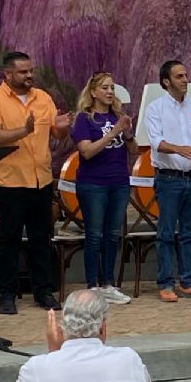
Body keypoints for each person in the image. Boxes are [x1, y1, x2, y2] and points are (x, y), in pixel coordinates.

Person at [0, 51, 71, 314]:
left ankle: (44, 292)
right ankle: (8, 294)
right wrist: (23, 131)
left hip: (40, 180)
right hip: (10, 182)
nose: (29, 75)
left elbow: (57, 132)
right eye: (23, 72)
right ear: (7, 74)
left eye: (30, 71)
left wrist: (62, 127)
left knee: (42, 239)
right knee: (10, 240)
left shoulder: (43, 97)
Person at [5, 289, 150, 382]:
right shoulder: (128, 359)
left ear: (63, 328)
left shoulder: (36, 369)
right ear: (102, 327)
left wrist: (54, 354)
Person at [144, 60, 191, 302]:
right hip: (169, 178)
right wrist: (177, 148)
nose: (185, 80)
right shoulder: (155, 109)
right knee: (166, 233)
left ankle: (189, 282)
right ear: (166, 81)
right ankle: (166, 283)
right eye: (179, 76)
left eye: (186, 75)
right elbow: (156, 141)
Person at [71, 72, 136, 304]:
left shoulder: (117, 115)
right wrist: (114, 132)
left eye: (112, 88)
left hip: (118, 182)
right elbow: (87, 151)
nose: (109, 92)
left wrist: (127, 135)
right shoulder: (84, 119)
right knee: (95, 235)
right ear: (93, 92)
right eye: (105, 88)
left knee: (112, 235)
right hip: (93, 183)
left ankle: (108, 283)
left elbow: (133, 152)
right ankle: (92, 286)